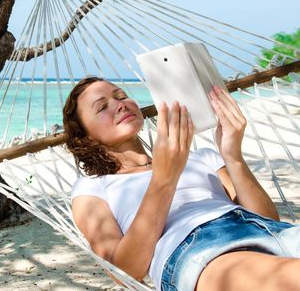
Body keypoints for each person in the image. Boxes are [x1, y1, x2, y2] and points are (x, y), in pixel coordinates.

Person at [63, 76, 300, 291]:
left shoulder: (202, 156)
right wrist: (165, 177)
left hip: (270, 232)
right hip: (199, 252)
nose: (120, 104)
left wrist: (232, 155)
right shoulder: (92, 188)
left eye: (121, 96)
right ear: (86, 137)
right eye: (103, 107)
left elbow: (267, 219)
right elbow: (124, 272)